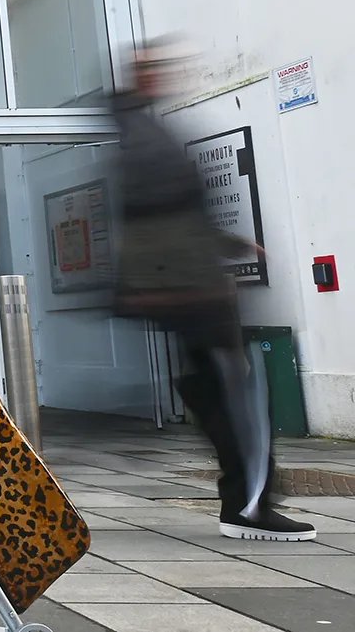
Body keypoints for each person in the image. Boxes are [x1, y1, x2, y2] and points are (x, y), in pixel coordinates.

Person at [110, 36, 315, 541]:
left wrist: (227, 243)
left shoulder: (141, 130)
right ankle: (249, 504)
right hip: (190, 290)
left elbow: (169, 218)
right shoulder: (144, 138)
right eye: (158, 68)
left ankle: (244, 499)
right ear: (143, 77)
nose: (168, 75)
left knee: (218, 389)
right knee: (238, 394)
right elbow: (161, 223)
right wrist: (203, 279)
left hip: (182, 287)